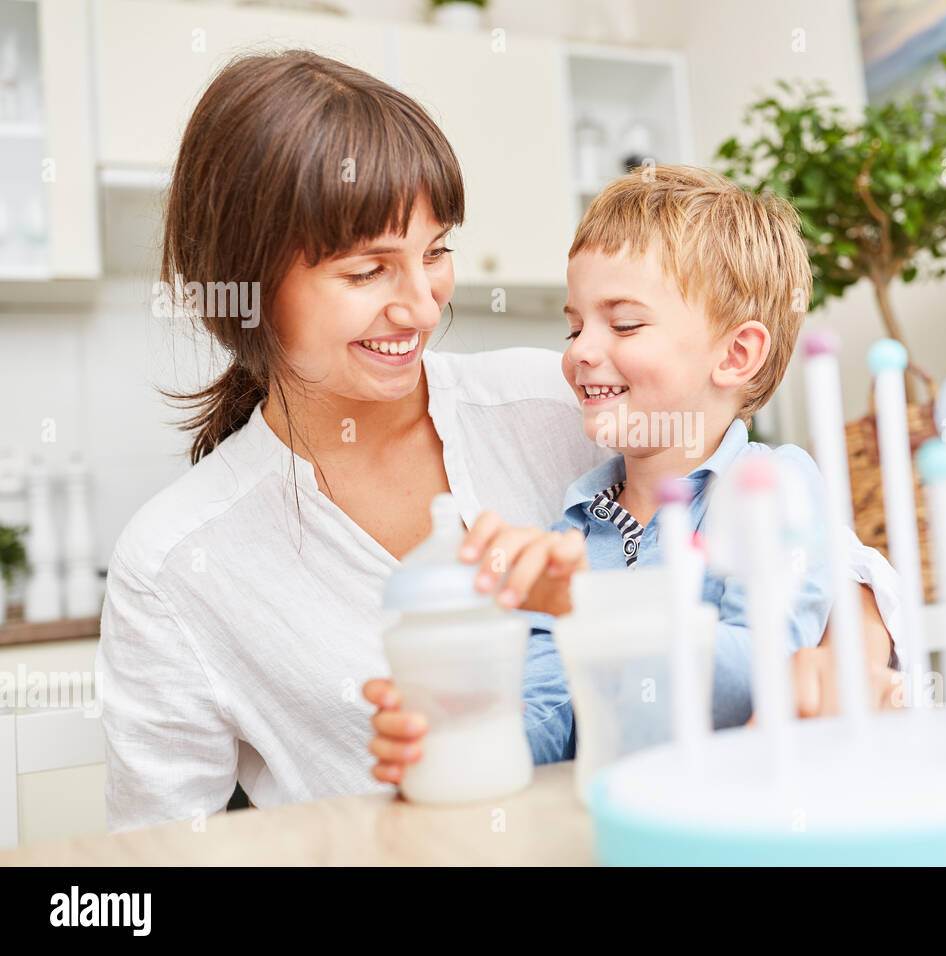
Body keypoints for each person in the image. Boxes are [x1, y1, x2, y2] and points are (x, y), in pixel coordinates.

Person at [95, 50, 901, 833]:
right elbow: (152, 862)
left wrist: (852, 649)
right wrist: (444, 742)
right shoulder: (174, 567)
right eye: (369, 270)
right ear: (250, 288)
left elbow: (800, 538)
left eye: (437, 252)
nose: (420, 305)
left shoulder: (562, 403)